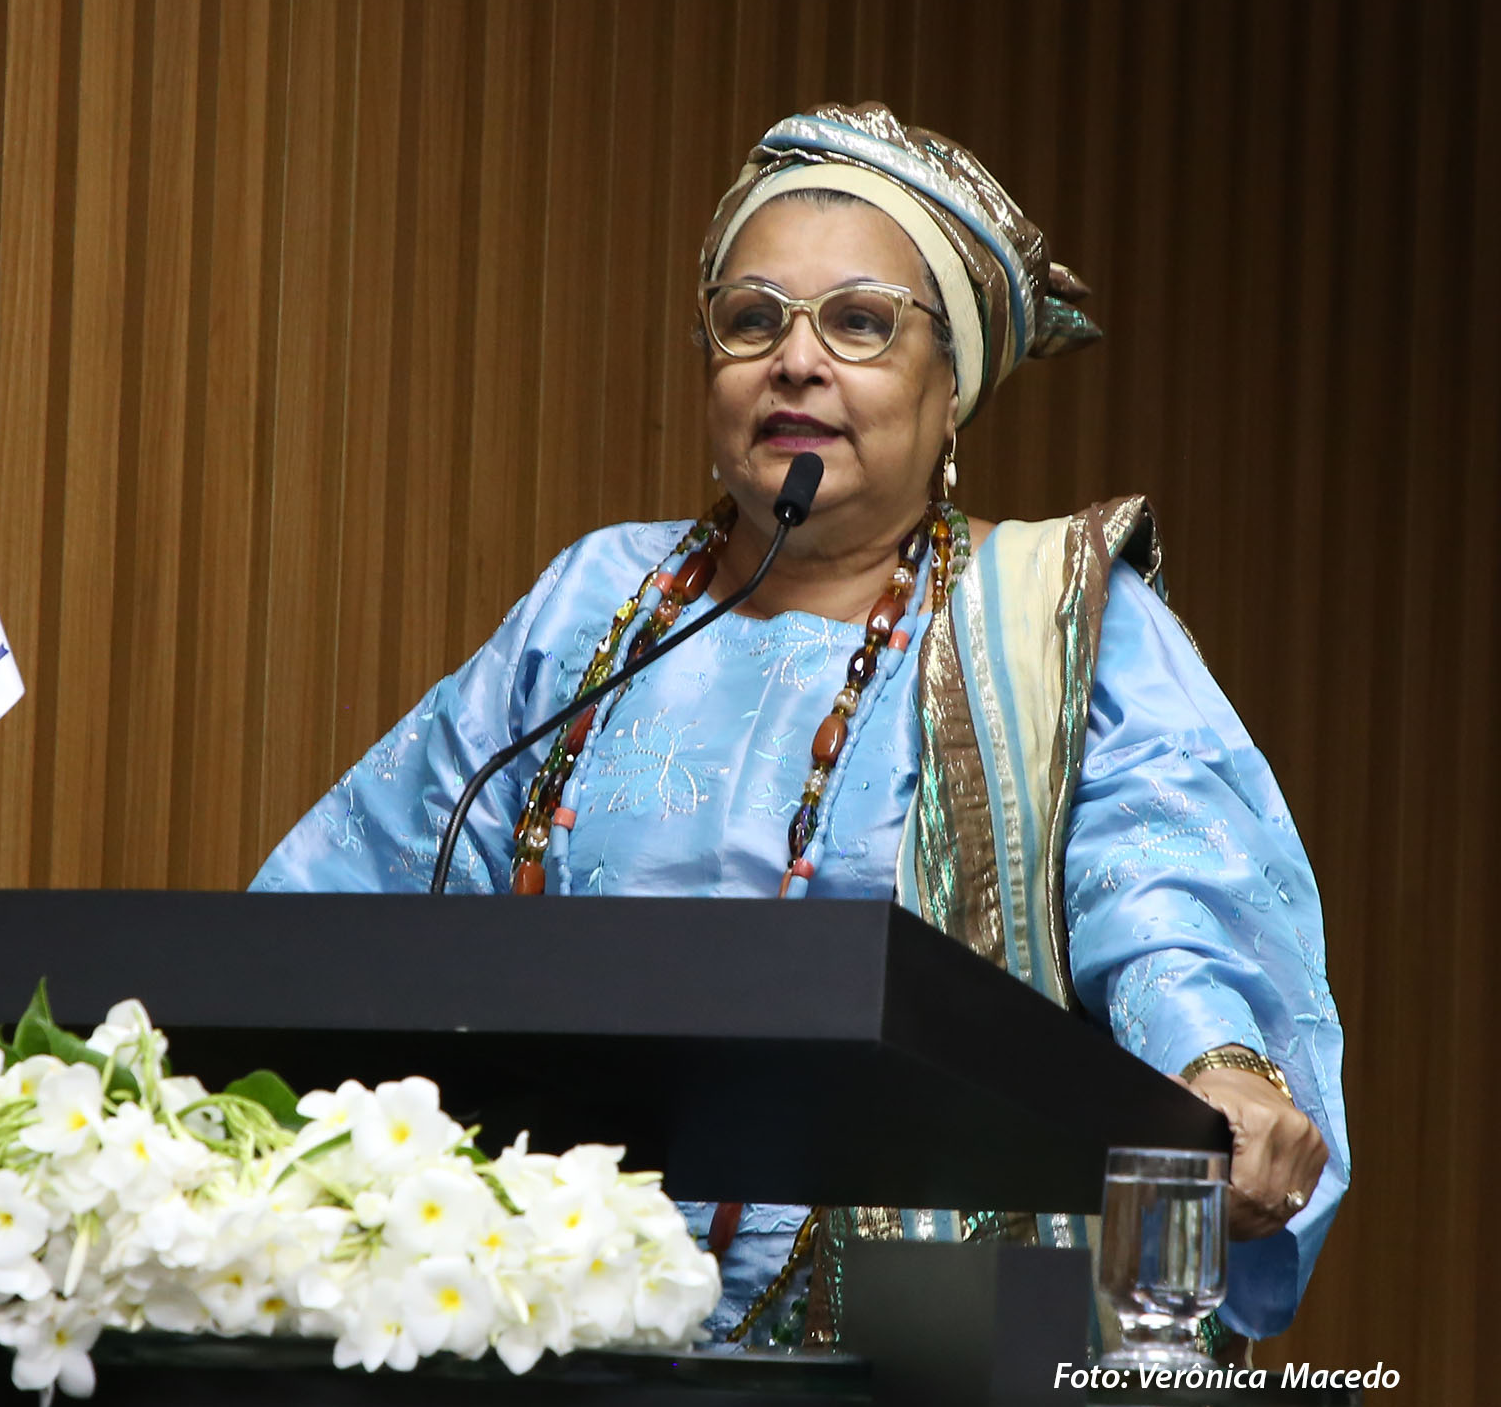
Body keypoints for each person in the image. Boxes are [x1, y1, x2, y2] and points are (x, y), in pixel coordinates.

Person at [251, 103, 1346, 1351]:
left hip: (917, 1343)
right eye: (751, 317)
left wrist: (1217, 1071)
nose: (795, 360)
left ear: (949, 391)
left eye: (860, 322)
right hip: (546, 1318)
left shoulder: (1049, 619)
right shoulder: (599, 600)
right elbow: (362, 891)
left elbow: (1156, 893)